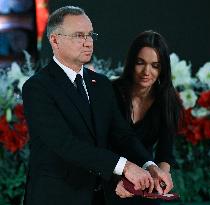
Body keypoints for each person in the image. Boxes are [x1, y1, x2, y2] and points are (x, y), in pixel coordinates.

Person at [22, 6, 172, 205]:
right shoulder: (37, 87)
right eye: (79, 35)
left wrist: (150, 165)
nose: (88, 43)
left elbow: (121, 134)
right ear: (55, 40)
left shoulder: (100, 84)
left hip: (101, 197)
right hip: (56, 197)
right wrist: (125, 167)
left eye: (90, 35)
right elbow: (66, 145)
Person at [104, 31, 183, 205]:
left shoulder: (168, 101)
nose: (147, 72)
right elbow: (101, 144)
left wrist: (161, 179)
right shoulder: (111, 92)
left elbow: (165, 152)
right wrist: (116, 179)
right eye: (140, 63)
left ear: (163, 69)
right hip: (108, 178)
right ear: (131, 63)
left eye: (155, 65)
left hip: (145, 181)